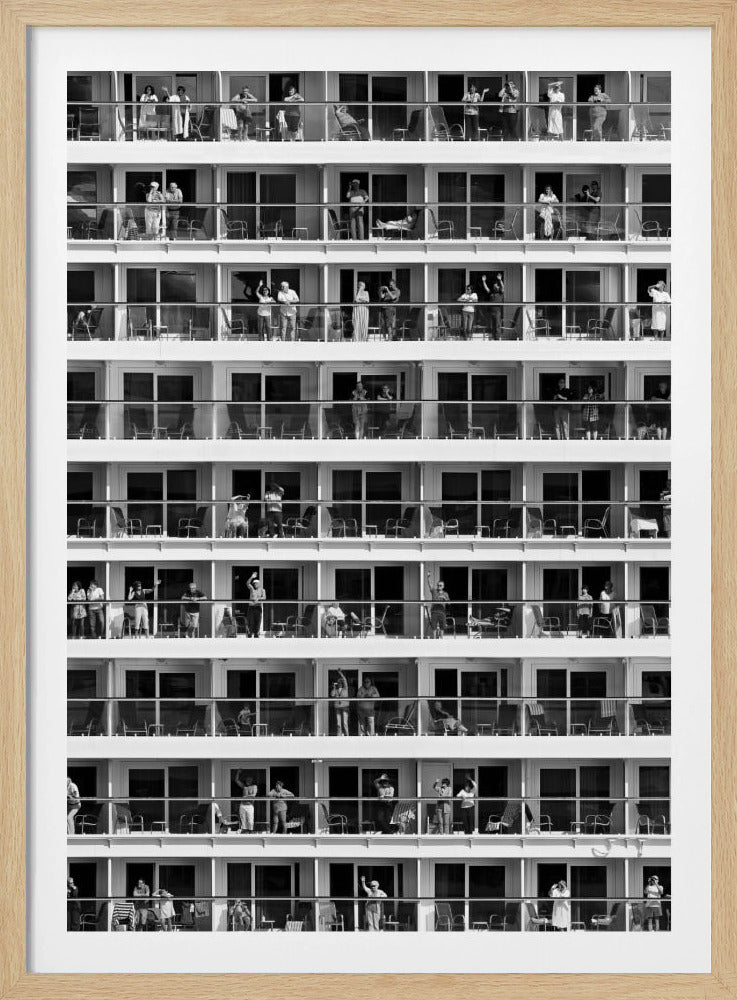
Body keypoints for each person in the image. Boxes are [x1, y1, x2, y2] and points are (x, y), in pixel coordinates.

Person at [426, 572, 450, 638]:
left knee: (442, 627)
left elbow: (449, 603)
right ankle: (434, 640)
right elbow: (430, 584)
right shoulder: (434, 591)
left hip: (442, 612)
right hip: (434, 611)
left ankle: (441, 640)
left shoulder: (445, 593)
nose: (439, 586)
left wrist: (445, 598)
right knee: (434, 627)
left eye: (440, 585)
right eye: (438, 585)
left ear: (443, 586)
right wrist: (428, 577)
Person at [482, 272, 504, 340]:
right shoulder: (491, 293)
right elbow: (486, 288)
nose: (495, 286)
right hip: (491, 312)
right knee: (493, 326)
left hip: (497, 311)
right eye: (494, 286)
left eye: (496, 286)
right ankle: (494, 337)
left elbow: (503, 287)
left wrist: (500, 280)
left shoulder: (500, 293)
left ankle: (497, 338)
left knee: (497, 325)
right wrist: (483, 281)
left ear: (498, 287)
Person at [246, 572, 266, 637]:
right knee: (251, 622)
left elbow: (264, 598)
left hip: (258, 608)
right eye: (254, 583)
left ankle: (256, 634)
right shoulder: (252, 589)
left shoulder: (262, 590)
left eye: (256, 583)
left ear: (259, 584)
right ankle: (250, 634)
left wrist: (258, 599)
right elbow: (247, 583)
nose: (255, 584)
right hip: (251, 608)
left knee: (258, 622)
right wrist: (252, 577)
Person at [331, 669, 350, 735]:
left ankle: (347, 736)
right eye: (338, 682)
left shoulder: (345, 688)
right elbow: (332, 695)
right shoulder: (335, 689)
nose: (339, 683)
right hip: (337, 707)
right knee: (338, 723)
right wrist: (333, 687)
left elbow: (345, 679)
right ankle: (339, 736)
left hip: (345, 707)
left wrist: (341, 674)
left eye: (340, 682)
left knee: (345, 722)